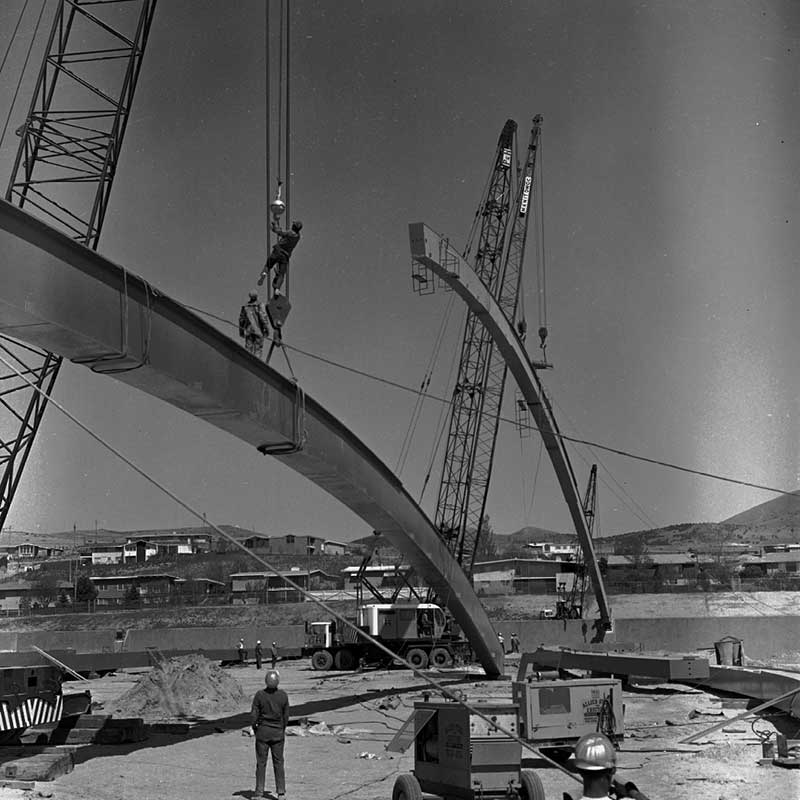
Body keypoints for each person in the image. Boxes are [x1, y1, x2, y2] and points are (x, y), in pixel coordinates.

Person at [250, 669, 289, 800]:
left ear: (266, 681)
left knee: (261, 763)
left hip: (263, 733)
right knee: (279, 762)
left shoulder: (259, 695)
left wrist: (255, 729)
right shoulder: (283, 695)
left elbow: (254, 716)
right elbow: (286, 716)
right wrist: (281, 729)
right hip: (278, 733)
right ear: (277, 681)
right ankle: (281, 792)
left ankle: (259, 792)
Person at [258, 220, 303, 293]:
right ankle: (277, 288)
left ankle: (264, 274)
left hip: (277, 251)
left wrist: (274, 225)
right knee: (281, 274)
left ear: (293, 226)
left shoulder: (289, 233)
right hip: (285, 256)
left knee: (268, 265)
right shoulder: (298, 236)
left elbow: (279, 232)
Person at [238, 291, 269, 358]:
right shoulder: (260, 305)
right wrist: (266, 329)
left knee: (248, 349)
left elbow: (241, 319)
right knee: (258, 350)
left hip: (249, 330)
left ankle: (247, 364)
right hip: (258, 331)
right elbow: (263, 317)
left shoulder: (245, 306)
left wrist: (241, 331)